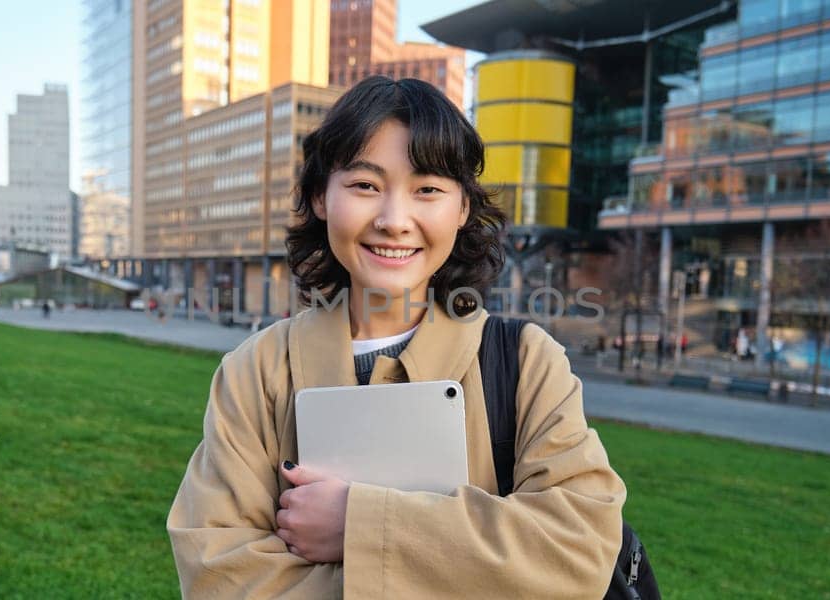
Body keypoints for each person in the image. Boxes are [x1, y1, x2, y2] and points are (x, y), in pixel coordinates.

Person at [167, 77, 625, 598]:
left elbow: (579, 549)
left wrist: (358, 527)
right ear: (320, 197)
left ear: (463, 209)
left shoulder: (526, 362)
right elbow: (218, 573)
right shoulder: (255, 371)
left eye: (427, 189)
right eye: (365, 185)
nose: (393, 221)